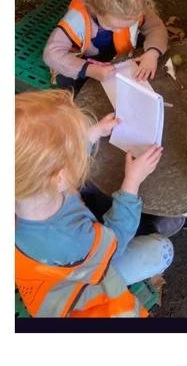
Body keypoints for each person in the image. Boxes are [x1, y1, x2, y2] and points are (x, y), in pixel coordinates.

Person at [15, 89, 172, 318]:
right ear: (59, 178)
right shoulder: (74, 239)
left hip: (50, 283)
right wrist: (132, 181)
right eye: (76, 152)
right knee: (163, 250)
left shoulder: (20, 189)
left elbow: (46, 161)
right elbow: (115, 240)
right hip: (84, 286)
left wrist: (93, 133)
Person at [43, 0, 169, 91]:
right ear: (95, 9)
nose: (121, 30)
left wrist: (152, 54)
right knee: (66, 80)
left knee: (151, 49)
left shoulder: (132, 4)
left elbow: (156, 27)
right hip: (90, 57)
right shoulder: (78, 19)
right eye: (114, 27)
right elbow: (51, 54)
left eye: (130, 24)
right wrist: (90, 70)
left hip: (121, 51)